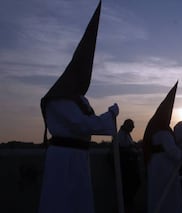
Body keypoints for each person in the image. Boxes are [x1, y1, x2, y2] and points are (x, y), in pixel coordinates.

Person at [38, 2, 119, 213]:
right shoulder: (59, 99)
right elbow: (82, 124)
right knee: (62, 202)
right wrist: (110, 115)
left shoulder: (80, 100)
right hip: (64, 159)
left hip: (79, 158)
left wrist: (106, 118)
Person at [143, 82, 182, 213]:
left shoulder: (154, 129)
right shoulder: (163, 131)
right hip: (164, 165)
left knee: (157, 191)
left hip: (155, 164)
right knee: (167, 192)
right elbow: (171, 150)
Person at [117, 119, 140, 212]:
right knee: (130, 185)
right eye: (132, 125)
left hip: (129, 165)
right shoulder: (121, 135)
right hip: (125, 165)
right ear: (127, 125)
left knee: (133, 184)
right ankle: (127, 204)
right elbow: (123, 147)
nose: (133, 128)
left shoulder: (126, 134)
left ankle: (128, 203)